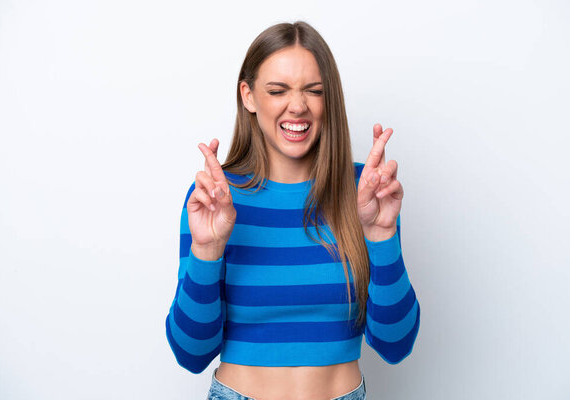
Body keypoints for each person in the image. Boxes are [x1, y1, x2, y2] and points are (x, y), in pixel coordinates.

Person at [165, 21, 420, 400]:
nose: (297, 106)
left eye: (313, 91)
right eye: (277, 90)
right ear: (249, 96)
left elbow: (395, 344)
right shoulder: (217, 197)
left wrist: (382, 236)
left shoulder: (365, 192)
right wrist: (207, 251)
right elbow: (191, 353)